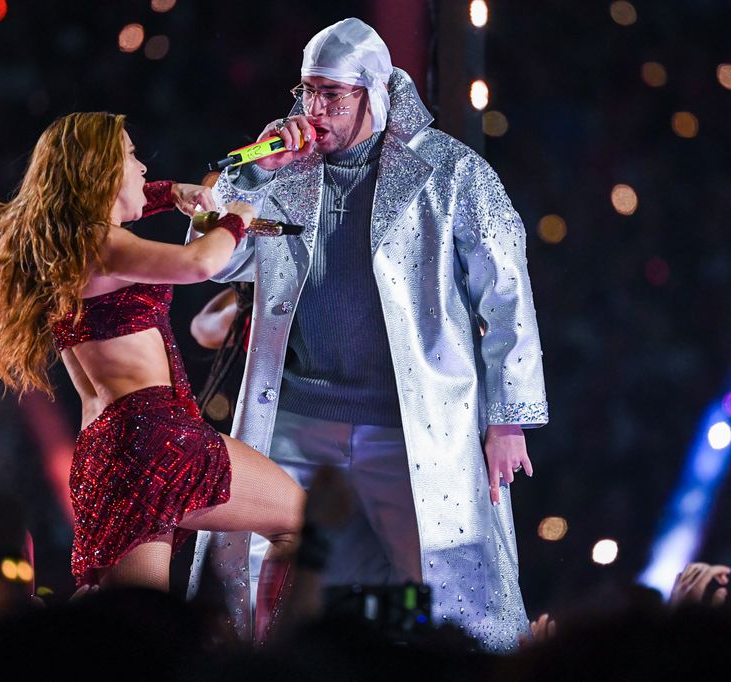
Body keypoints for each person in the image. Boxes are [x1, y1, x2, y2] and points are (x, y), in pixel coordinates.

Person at [197, 18, 549, 650]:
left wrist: (508, 419)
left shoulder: (450, 172)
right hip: (297, 421)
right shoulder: (281, 173)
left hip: (408, 426)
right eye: (308, 92)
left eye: (333, 95)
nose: (315, 110)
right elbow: (209, 262)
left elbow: (507, 292)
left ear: (376, 91)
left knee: (444, 586)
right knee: (267, 575)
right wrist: (249, 175)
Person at [0, 113, 304, 631]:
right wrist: (236, 217)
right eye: (130, 155)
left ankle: (33, 647)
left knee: (132, 628)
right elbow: (197, 265)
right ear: (100, 171)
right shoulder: (100, 244)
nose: (143, 166)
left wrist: (172, 194)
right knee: (302, 521)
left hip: (108, 451)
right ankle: (275, 660)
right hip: (155, 437)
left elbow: (139, 201)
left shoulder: (67, 245)